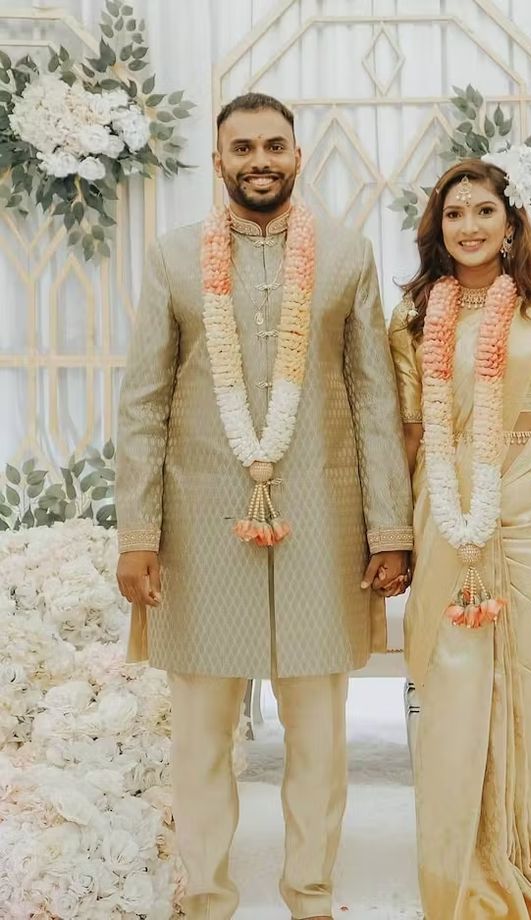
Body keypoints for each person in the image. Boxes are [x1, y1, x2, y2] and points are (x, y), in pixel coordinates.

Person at [115, 92, 413, 920]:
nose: (259, 161)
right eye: (241, 148)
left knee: (319, 736)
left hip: (322, 520)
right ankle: (208, 898)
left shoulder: (348, 255)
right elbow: (142, 401)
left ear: (297, 156)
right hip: (198, 522)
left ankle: (310, 895)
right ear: (217, 163)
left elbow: (374, 401)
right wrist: (137, 535)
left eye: (274, 146)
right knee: (201, 734)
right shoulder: (174, 258)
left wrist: (390, 530)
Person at [386, 155, 531, 918]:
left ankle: (520, 858)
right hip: (446, 514)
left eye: (483, 211)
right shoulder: (412, 321)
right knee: (450, 692)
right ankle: (458, 874)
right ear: (436, 229)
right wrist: (389, 536)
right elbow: (409, 437)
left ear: (512, 224)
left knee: (524, 687)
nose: (469, 226)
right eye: (454, 213)